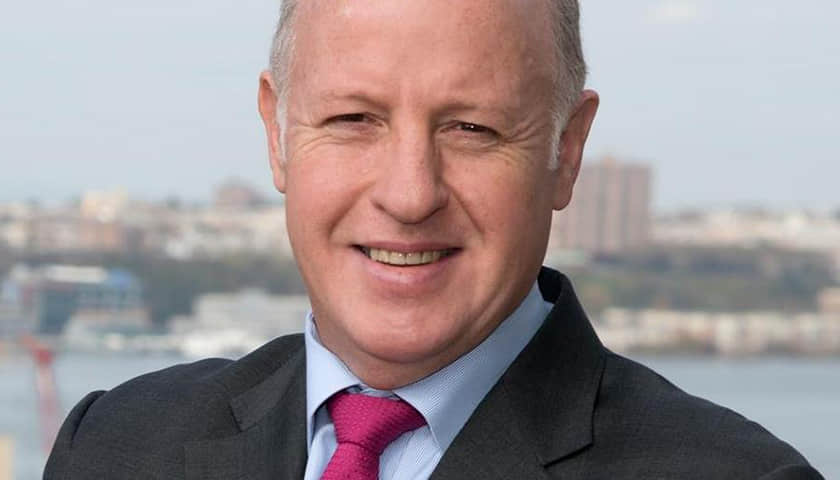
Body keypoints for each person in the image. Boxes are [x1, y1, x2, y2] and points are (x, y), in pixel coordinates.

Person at [45, 0, 823, 479]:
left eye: (472, 128)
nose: (410, 194)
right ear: (276, 134)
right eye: (354, 119)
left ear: (567, 150)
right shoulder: (113, 447)